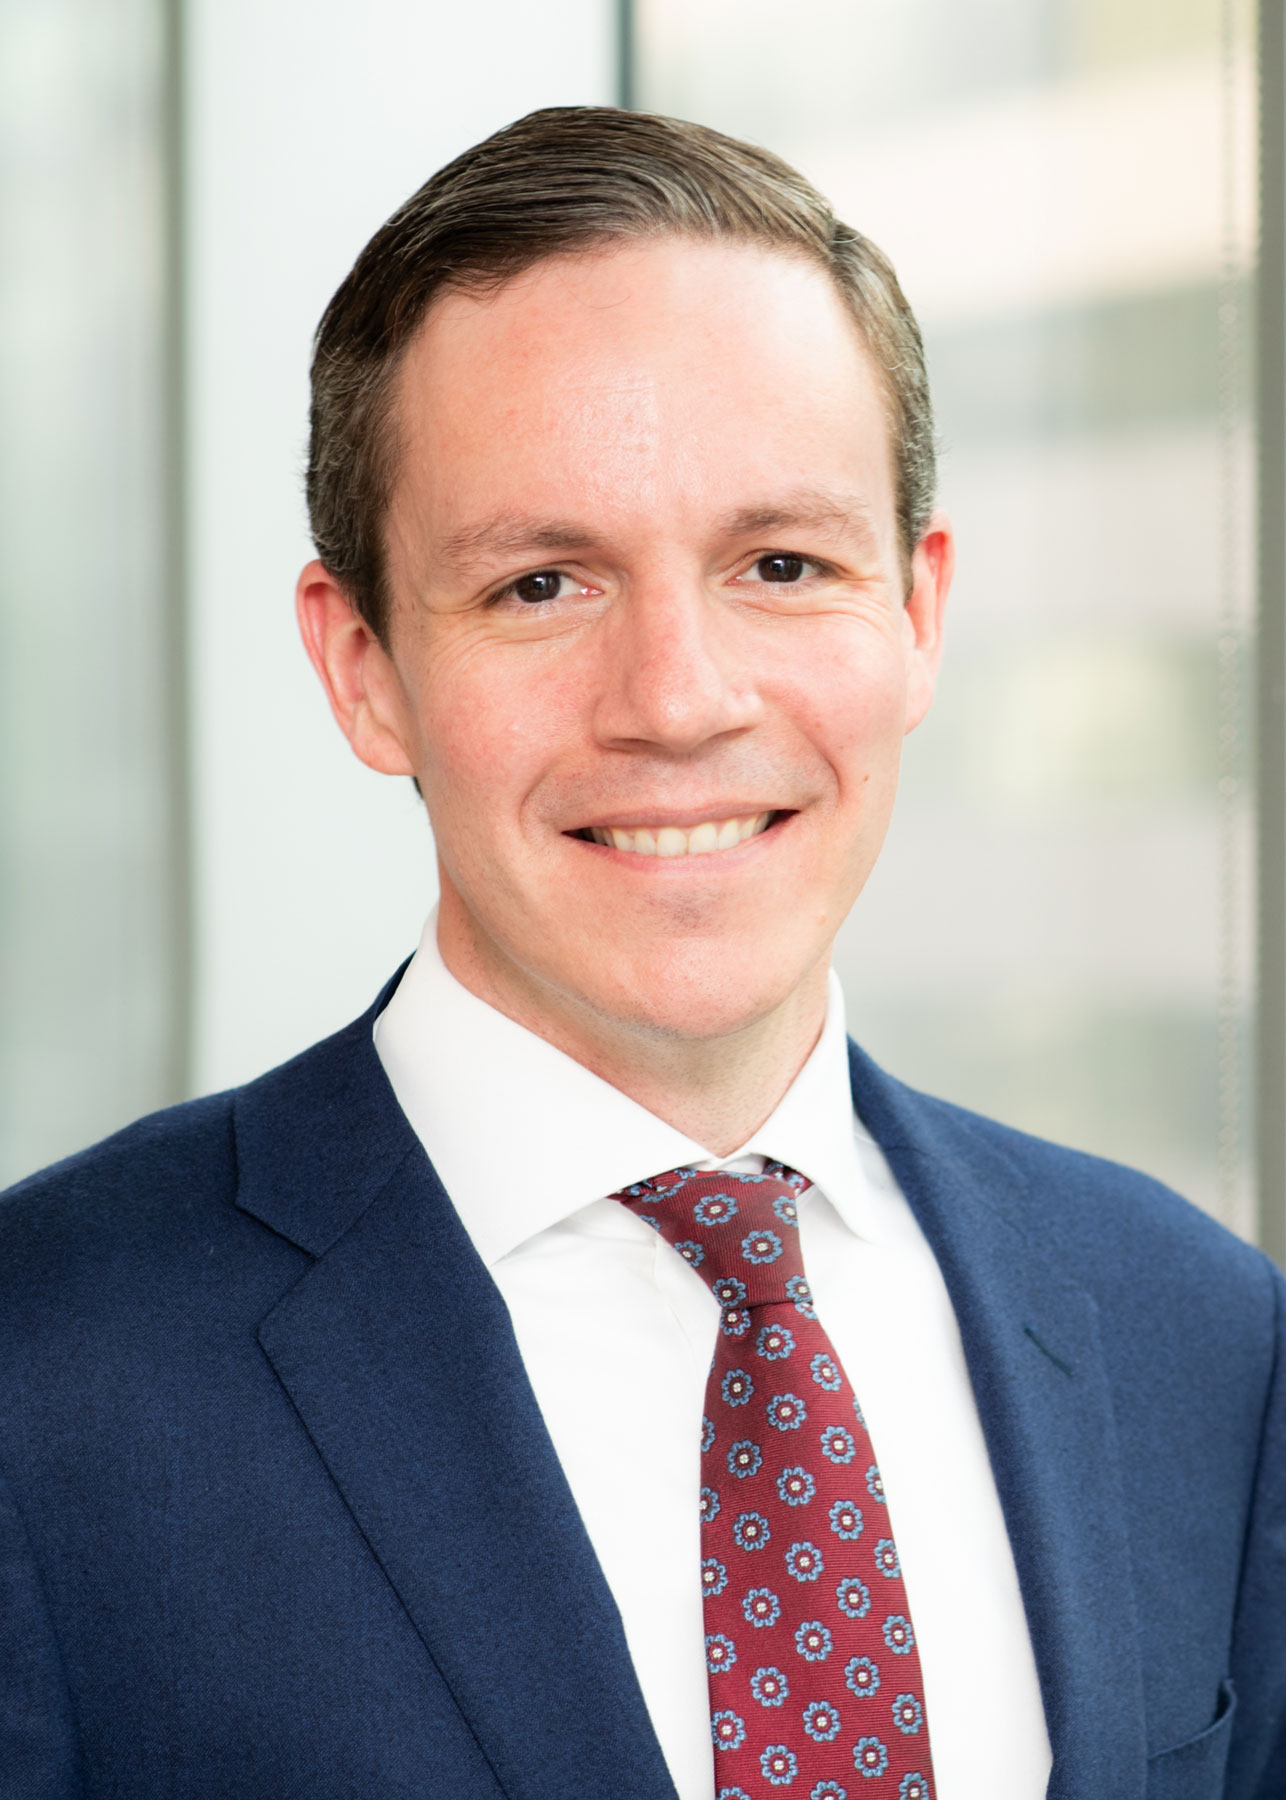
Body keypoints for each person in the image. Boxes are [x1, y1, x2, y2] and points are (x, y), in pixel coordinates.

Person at [0, 105, 1282, 1800]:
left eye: (781, 563)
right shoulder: (43, 1372)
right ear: (363, 667)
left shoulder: (1198, 1334)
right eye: (542, 584)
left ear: (915, 614)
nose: (677, 700)